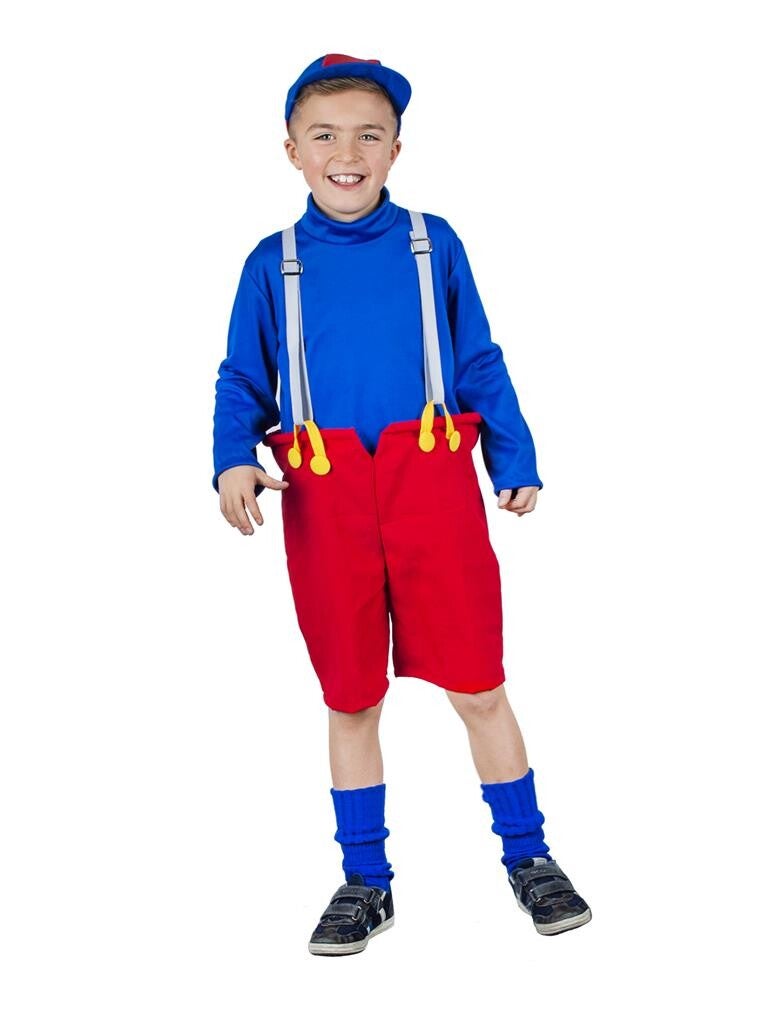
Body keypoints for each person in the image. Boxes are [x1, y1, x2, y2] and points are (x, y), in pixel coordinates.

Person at [211, 53, 592, 956]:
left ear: (395, 149)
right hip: (324, 494)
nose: (346, 155)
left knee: (478, 684)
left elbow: (476, 356)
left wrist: (512, 453)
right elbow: (241, 378)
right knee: (350, 698)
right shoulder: (273, 263)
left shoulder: (432, 243)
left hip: (431, 487)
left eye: (367, 137)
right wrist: (231, 460)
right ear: (292, 151)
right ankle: (365, 881)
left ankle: (529, 856)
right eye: (324, 137)